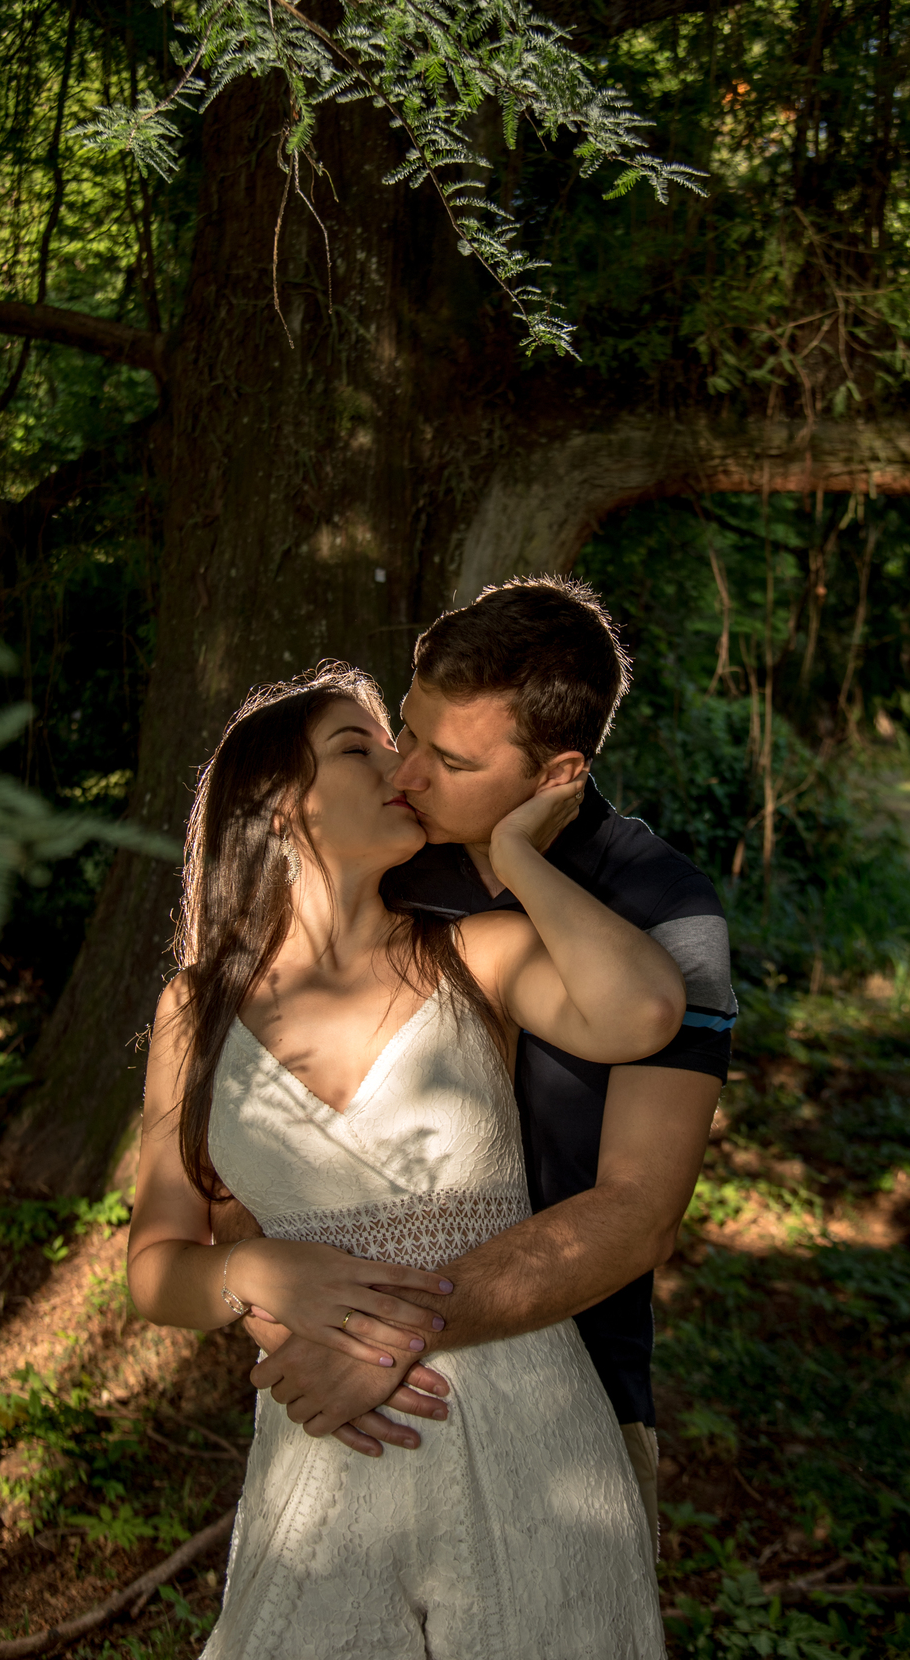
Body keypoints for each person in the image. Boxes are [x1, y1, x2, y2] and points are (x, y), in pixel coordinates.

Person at [127, 661, 686, 1658]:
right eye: (363, 745)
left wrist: (514, 854)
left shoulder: (476, 953)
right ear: (279, 803)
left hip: (532, 1443)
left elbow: (643, 1010)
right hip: (327, 1459)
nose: (403, 767)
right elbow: (156, 1266)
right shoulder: (196, 1010)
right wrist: (251, 1269)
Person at [240, 578, 736, 1545]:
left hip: (572, 1403)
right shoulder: (381, 863)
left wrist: (520, 864)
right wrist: (300, 1322)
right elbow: (249, 1112)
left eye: (454, 760)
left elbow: (638, 1215)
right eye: (407, 730)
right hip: (352, 1396)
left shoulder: (664, 910)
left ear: (558, 773)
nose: (408, 772)